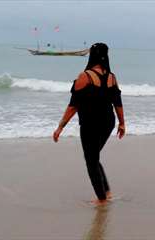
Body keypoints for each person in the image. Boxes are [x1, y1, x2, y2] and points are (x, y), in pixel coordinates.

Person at [53, 43, 126, 205]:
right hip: (108, 122)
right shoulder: (112, 77)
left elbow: (73, 106)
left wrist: (60, 127)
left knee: (91, 160)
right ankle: (106, 192)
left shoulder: (84, 76)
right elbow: (118, 103)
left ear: (91, 56)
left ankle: (101, 200)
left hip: (90, 124)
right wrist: (122, 124)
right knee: (94, 157)